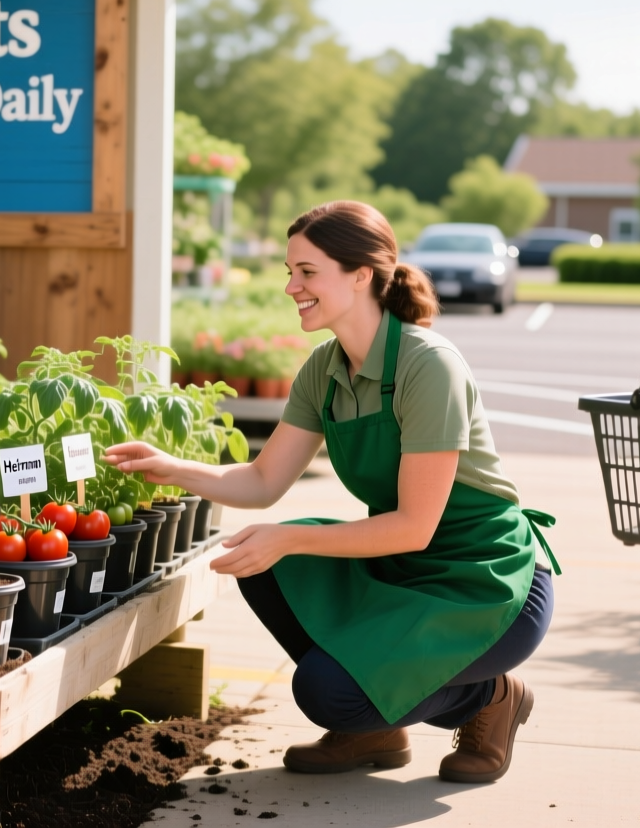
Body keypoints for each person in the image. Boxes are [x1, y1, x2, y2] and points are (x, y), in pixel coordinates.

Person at [105, 201, 558, 781]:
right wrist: (172, 466)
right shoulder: (325, 368)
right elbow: (263, 481)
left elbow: (415, 525)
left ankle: (491, 696)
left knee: (325, 691)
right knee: (262, 562)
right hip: (401, 570)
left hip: (484, 582)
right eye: (290, 271)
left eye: (307, 271)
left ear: (361, 274)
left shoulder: (428, 366)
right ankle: (378, 728)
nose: (291, 285)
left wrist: (290, 538)